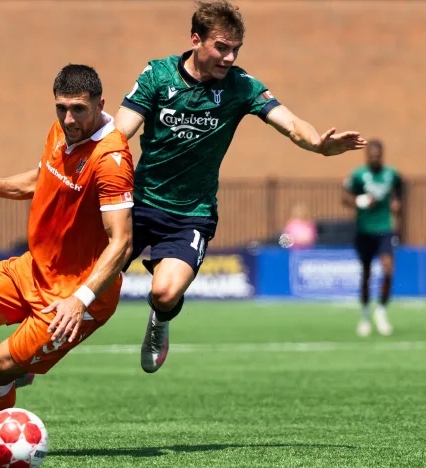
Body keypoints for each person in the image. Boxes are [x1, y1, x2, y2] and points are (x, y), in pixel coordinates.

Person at [114, 0, 367, 373]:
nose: (230, 57)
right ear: (195, 40)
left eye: (236, 49)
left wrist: (316, 144)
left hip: (192, 215)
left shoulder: (241, 86)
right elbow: (119, 133)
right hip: (140, 203)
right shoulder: (158, 75)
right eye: (221, 47)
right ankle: (36, 348)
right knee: (93, 281)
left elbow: (292, 123)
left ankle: (160, 322)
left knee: (164, 293)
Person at [0, 64, 134, 454]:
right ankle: (2, 371)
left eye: (78, 110)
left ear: (100, 104)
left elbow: (121, 243)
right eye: (61, 108)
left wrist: (80, 300)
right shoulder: (61, 131)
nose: (69, 119)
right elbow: (39, 180)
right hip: (33, 269)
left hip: (73, 297)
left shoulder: (111, 159)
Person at [342, 139, 402, 337]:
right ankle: (365, 315)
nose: (374, 159)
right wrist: (359, 201)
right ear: (367, 155)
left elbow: (400, 192)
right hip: (364, 230)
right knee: (366, 274)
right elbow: (345, 197)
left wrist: (396, 203)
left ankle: (381, 311)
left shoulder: (391, 174)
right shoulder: (358, 175)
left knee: (388, 270)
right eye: (371, 156)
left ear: (381, 156)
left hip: (384, 228)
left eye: (377, 156)